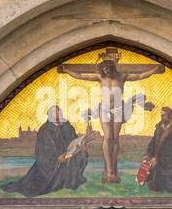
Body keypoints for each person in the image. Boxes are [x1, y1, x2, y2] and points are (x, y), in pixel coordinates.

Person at [56, 48, 163, 184]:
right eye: (104, 69)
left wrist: (154, 69)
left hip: (118, 109)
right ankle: (109, 172)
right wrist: (66, 70)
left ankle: (113, 169)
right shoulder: (100, 78)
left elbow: (140, 76)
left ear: (112, 67)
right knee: (107, 138)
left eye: (108, 68)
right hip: (105, 110)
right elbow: (81, 75)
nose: (106, 71)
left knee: (114, 138)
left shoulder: (121, 77)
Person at [2, 107, 88, 197]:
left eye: (60, 112)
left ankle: (71, 180)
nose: (58, 114)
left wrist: (81, 146)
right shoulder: (45, 130)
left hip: (69, 157)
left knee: (81, 155)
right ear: (50, 115)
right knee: (37, 184)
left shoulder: (68, 127)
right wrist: (57, 159)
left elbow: (74, 141)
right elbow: (42, 151)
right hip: (51, 163)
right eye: (55, 113)